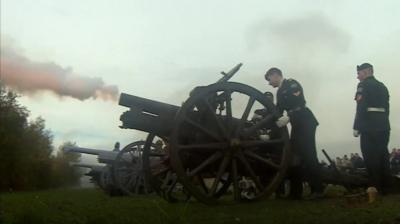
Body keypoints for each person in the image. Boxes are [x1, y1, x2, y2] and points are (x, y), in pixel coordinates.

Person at [265, 67, 324, 199]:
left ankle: (318, 190)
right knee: (294, 157)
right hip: (297, 125)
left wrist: (290, 116)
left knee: (309, 155)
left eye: (269, 79)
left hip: (306, 121)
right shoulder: (279, 92)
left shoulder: (292, 84)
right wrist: (269, 133)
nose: (269, 83)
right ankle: (295, 193)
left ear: (275, 75)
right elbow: (277, 114)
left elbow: (299, 104)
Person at [353, 63, 392, 194]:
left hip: (369, 126)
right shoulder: (382, 86)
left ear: (365, 72)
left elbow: (361, 106)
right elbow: (387, 108)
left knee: (370, 157)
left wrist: (357, 126)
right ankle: (388, 186)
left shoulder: (363, 85)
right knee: (383, 155)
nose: (358, 76)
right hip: (384, 125)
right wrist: (383, 121)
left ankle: (375, 187)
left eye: (359, 73)